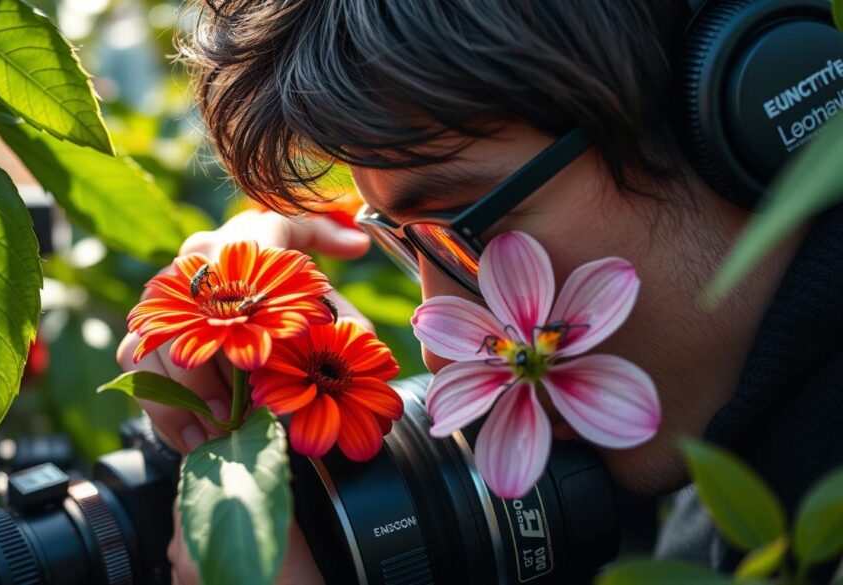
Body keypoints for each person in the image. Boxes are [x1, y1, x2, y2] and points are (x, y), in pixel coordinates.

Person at [116, 1, 843, 582]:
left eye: (470, 227)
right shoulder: (734, 471)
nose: (438, 356)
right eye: (411, 243)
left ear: (767, 108)